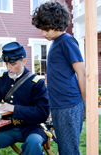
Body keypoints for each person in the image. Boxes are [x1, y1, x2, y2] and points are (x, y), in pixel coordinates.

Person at [0, 42, 50, 155]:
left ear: (23, 61)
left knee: (33, 143)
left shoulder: (36, 83)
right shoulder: (2, 79)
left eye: (13, 64)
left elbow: (42, 113)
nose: (9, 68)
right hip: (8, 127)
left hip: (31, 128)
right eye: (6, 63)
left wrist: (14, 108)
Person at [32, 1, 86, 155]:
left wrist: (86, 104)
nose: (43, 33)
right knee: (63, 148)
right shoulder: (56, 42)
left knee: (69, 150)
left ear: (57, 24)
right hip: (58, 105)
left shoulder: (67, 41)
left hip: (68, 105)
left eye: (46, 29)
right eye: (41, 29)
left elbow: (81, 72)